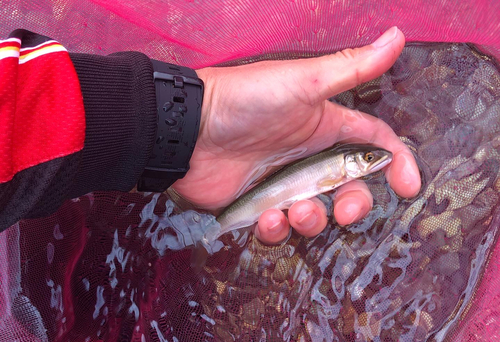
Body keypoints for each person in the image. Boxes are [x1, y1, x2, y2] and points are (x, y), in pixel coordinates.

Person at [0, 26, 421, 245]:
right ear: (349, 166)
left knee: (286, 215)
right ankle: (211, 233)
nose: (371, 162)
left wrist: (191, 121)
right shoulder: (339, 167)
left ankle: (210, 231)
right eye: (366, 161)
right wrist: (187, 117)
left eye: (366, 161)